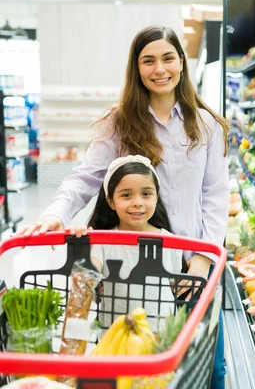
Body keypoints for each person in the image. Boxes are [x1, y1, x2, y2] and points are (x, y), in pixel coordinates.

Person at [17, 25, 229, 388]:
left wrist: (203, 258)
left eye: (168, 58)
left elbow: (215, 194)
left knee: (208, 365)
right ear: (137, 68)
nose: (159, 69)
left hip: (193, 263)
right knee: (138, 365)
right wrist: (55, 214)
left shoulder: (205, 123)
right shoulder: (120, 122)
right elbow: (85, 177)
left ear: (181, 62)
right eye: (149, 61)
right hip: (134, 267)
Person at [65, 155, 185, 328]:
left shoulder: (171, 242)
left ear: (156, 197)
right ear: (111, 202)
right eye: (126, 195)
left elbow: (172, 287)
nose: (137, 203)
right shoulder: (105, 242)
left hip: (160, 341)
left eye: (146, 194)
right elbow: (86, 280)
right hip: (115, 341)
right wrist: (83, 249)